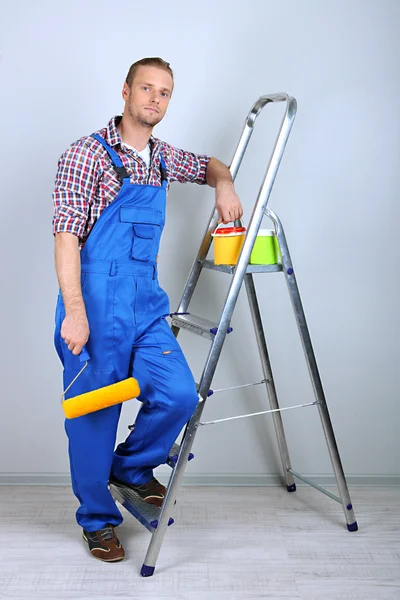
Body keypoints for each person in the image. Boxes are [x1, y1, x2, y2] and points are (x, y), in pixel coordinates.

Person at [53, 57, 243, 563]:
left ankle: (132, 469)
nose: (154, 100)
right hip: (92, 304)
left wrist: (223, 183)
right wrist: (75, 310)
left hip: (144, 306)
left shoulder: (161, 158)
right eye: (146, 89)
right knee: (94, 416)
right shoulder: (85, 155)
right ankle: (97, 522)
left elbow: (209, 166)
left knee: (179, 393)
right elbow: (67, 238)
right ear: (125, 91)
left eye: (164, 93)